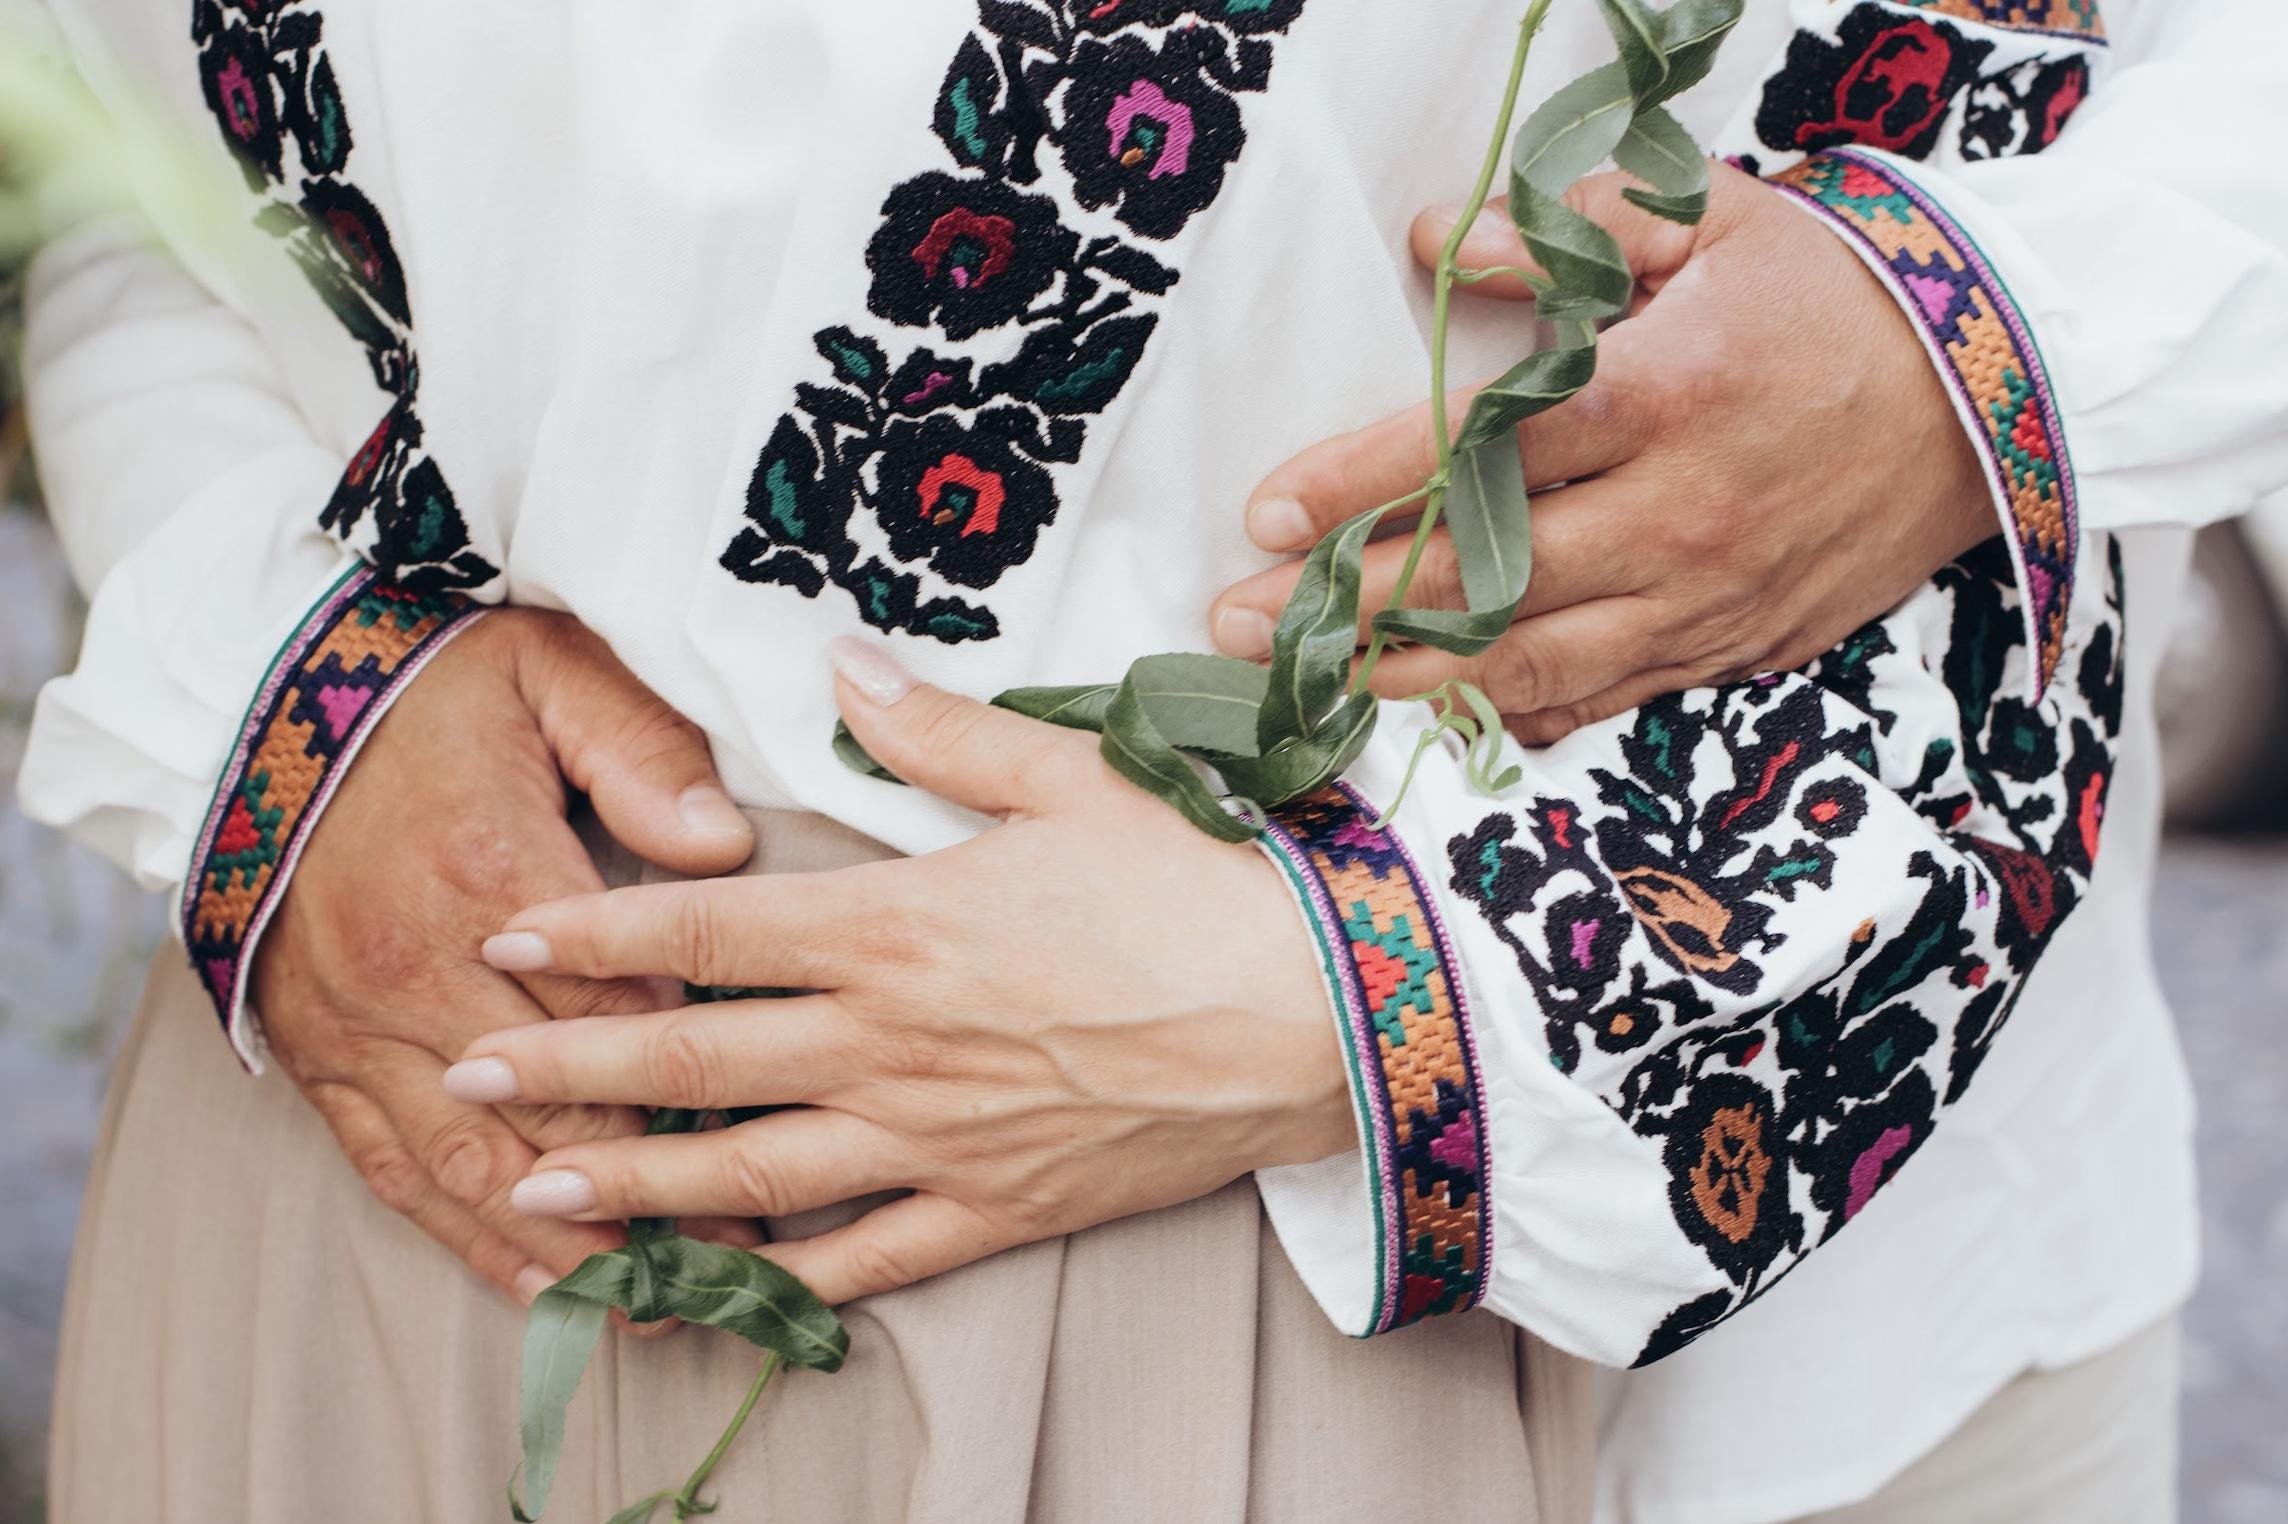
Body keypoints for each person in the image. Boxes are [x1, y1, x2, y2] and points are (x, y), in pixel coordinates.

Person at [14, 1, 2285, 1520]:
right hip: (437, 1096)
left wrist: (1980, 354)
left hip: (1755, 1243)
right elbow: (87, 127)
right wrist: (262, 675)